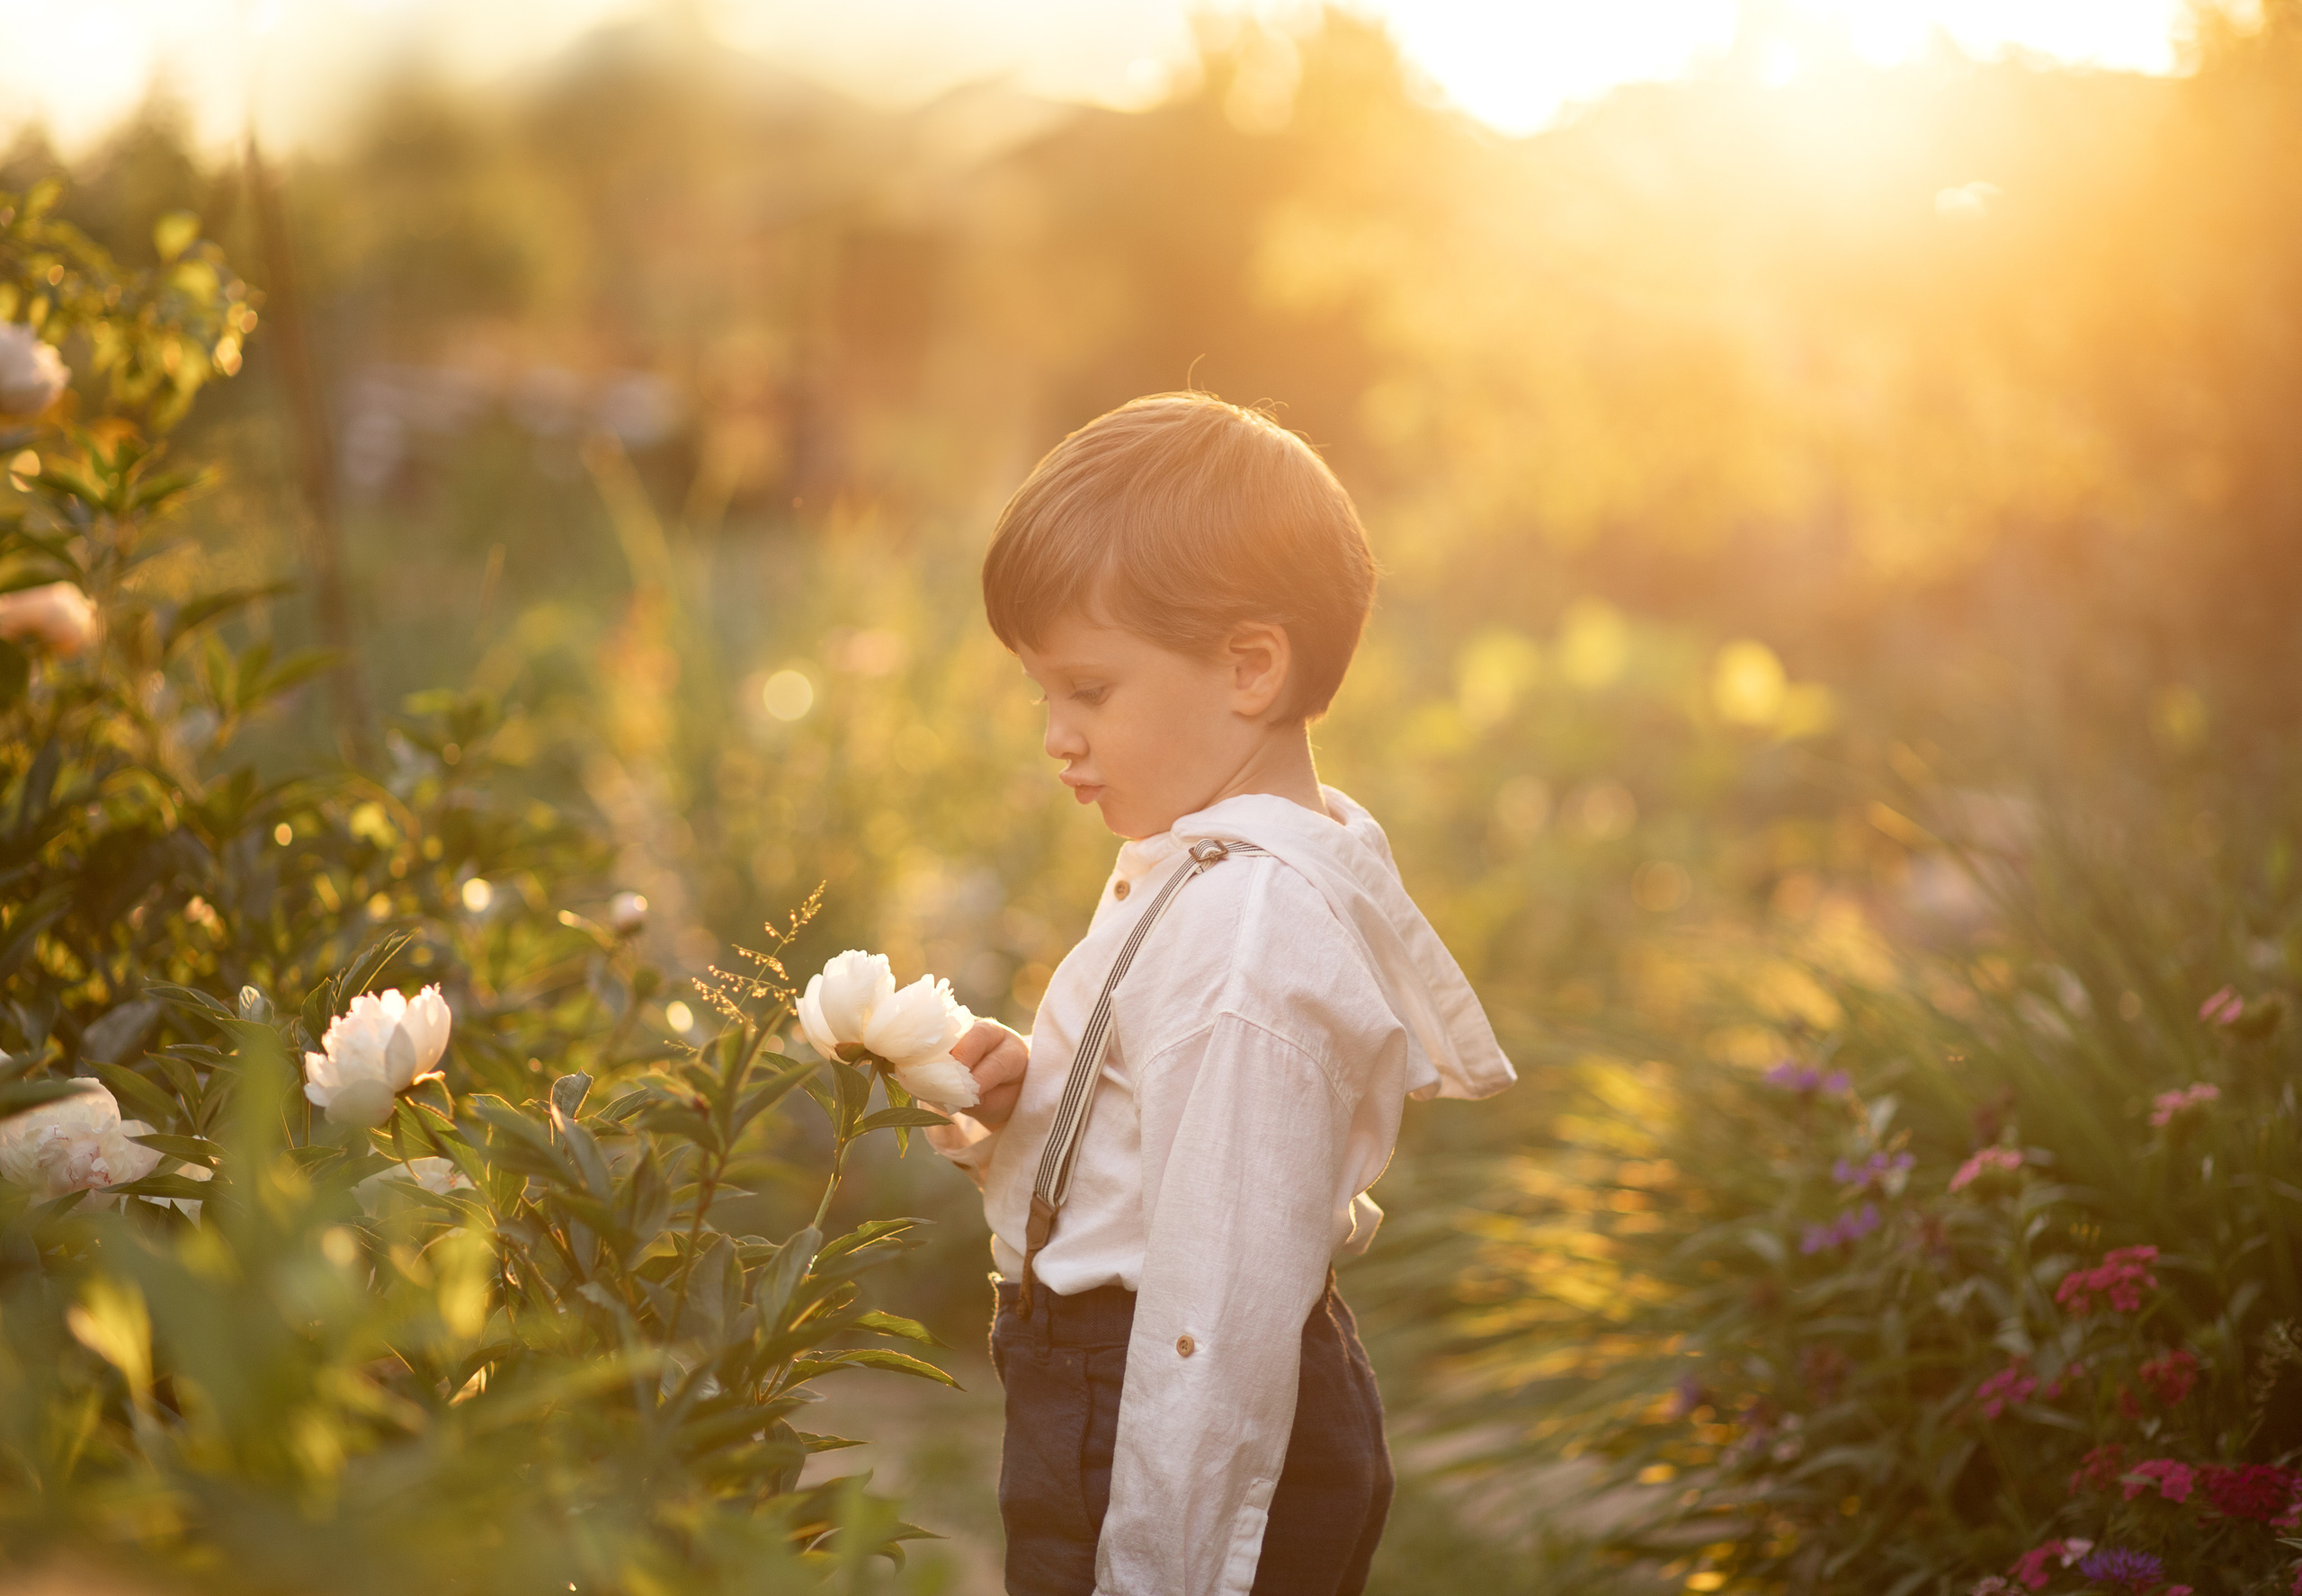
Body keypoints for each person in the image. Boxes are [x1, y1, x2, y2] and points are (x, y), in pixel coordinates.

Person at [926, 391, 1515, 1596]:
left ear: (1250, 668)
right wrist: (1026, 1112)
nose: (1055, 735)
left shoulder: (1250, 933)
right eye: (1043, 693)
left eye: (1088, 690)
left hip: (1158, 1397)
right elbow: (1158, 1158)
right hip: (1105, 1376)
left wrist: (1162, 1572)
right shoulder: (1210, 869)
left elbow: (1217, 1313)